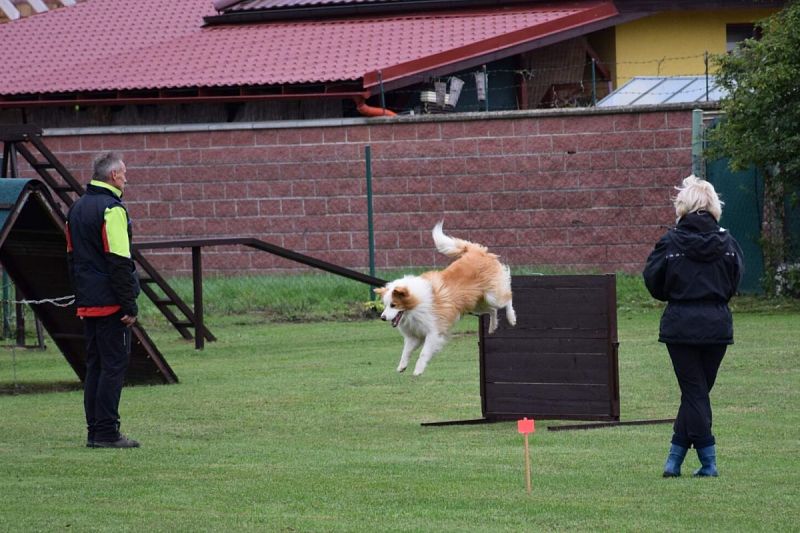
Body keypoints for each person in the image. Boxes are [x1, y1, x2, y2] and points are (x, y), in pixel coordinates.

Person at [643, 175, 743, 477]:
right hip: (716, 324)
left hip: (681, 325)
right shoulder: (728, 243)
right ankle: (676, 460)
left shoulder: (670, 242)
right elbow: (734, 282)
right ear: (714, 205)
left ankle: (705, 461)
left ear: (683, 205)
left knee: (694, 393)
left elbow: (653, 281)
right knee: (697, 393)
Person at [66, 152, 141, 449]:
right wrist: (129, 304)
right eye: (124, 174)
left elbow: (71, 259)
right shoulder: (112, 210)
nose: (126, 179)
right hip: (111, 302)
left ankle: (94, 431)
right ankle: (108, 432)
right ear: (113, 176)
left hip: (88, 301)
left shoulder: (75, 209)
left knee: (95, 367)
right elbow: (119, 261)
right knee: (113, 367)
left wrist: (80, 299)